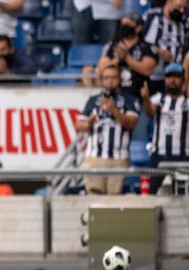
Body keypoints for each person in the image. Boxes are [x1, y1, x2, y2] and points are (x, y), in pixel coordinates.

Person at [75, 65, 140, 195]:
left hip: (118, 158)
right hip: (95, 157)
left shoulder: (129, 100)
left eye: (113, 77)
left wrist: (114, 111)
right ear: (101, 80)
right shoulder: (93, 101)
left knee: (113, 202)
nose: (110, 81)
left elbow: (131, 124)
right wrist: (89, 123)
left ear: (120, 80)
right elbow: (78, 124)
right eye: (106, 78)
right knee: (94, 199)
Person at [98, 12, 158, 141]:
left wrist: (127, 58)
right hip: (115, 99)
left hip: (138, 99)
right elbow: (101, 69)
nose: (125, 26)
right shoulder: (112, 46)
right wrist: (116, 60)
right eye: (123, 23)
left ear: (138, 28)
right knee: (112, 138)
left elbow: (148, 69)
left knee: (137, 138)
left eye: (129, 24)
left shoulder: (146, 47)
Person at [140, 63, 189, 195]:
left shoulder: (187, 102)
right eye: (169, 76)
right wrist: (145, 99)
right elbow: (149, 112)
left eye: (177, 76)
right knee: (147, 192)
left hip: (182, 156)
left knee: (182, 196)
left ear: (183, 80)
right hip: (159, 155)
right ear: (165, 80)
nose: (173, 80)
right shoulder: (158, 99)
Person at [143, 0, 187, 94]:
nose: (182, 11)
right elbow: (139, 42)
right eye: (179, 7)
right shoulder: (152, 16)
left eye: (184, 8)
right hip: (153, 76)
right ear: (169, 1)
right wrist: (157, 50)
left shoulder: (184, 21)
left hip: (176, 76)